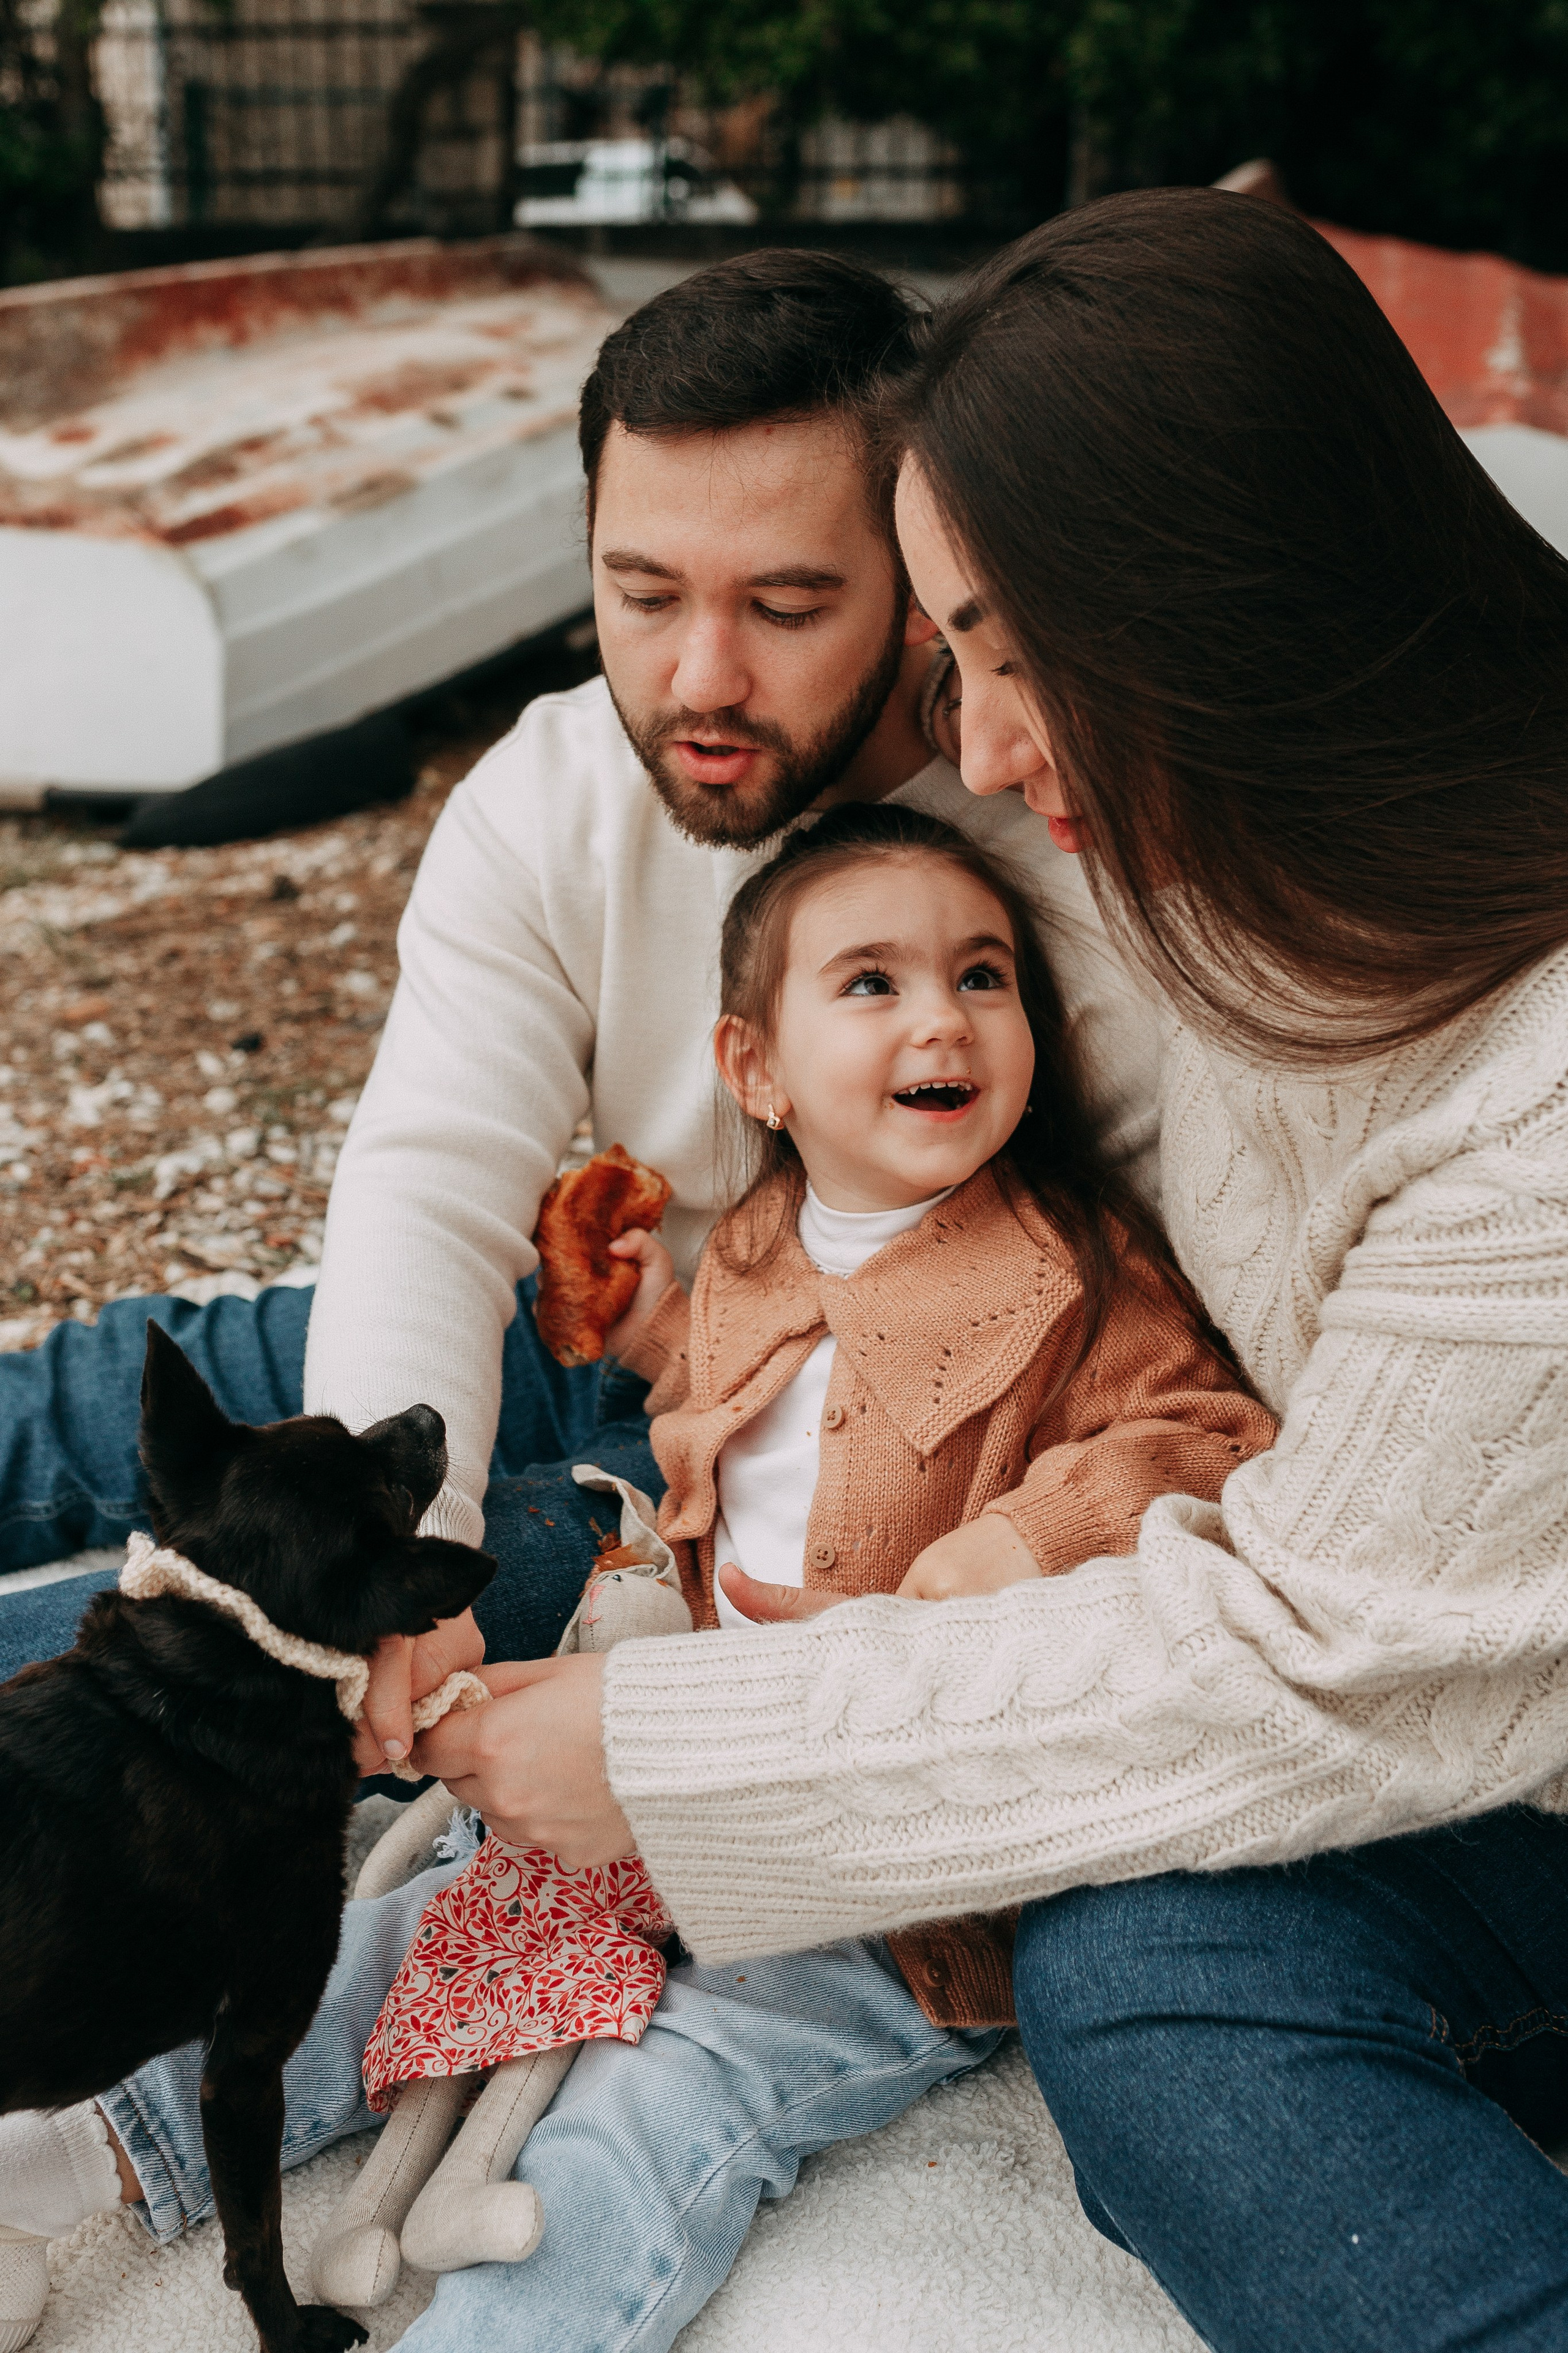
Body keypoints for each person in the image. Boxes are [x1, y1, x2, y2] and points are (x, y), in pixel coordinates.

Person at [387, 190, 1568, 2353]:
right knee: (375, 1444)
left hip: (1451, 1711)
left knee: (1146, 1970)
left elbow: (1302, 1659)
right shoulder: (1224, 870)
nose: (993, 750)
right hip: (1177, 1530)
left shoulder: (1537, 1103)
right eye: (961, 668)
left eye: (1018, 658)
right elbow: (454, 1176)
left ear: (1236, 605)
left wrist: (694, 1753)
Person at [15, 805, 1270, 2353]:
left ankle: (509, 2332)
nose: (940, 1014)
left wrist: (1023, 1538)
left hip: (885, 1854)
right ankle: (65, 2151)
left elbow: (1207, 1434)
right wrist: (640, 1334)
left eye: (982, 976)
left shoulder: (1075, 1269)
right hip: (675, 1748)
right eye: (870, 982)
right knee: (379, 1950)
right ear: (754, 1068)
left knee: (661, 2103)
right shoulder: (756, 1243)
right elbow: (753, 1416)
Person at [0, 250, 1158, 1770]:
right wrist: (393, 1529)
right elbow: (430, 1178)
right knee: (86, 1401)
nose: (701, 676)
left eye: (789, 604)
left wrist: (389, 1600)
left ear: (920, 587)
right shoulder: (550, 791)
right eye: (641, 593)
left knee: (150, 1655)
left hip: (812, 1440)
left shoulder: (1057, 827)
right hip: (598, 1321)